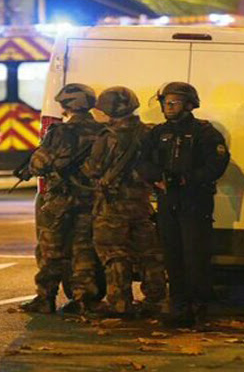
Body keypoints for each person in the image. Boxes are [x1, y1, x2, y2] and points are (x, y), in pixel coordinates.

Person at [137, 82, 230, 328]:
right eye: (166, 102)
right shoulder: (157, 133)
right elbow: (142, 160)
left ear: (189, 105)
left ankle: (199, 308)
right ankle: (177, 305)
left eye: (175, 102)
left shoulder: (205, 133)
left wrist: (188, 179)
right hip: (168, 202)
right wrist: (157, 178)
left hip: (194, 201)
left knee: (195, 256)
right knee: (172, 254)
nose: (169, 106)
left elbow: (216, 165)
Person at [17, 83, 105, 314]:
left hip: (61, 200)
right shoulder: (102, 131)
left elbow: (39, 164)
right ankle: (84, 299)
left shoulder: (60, 132)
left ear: (66, 105)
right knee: (83, 249)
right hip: (90, 199)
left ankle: (45, 298)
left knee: (50, 250)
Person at [82, 86, 166, 318]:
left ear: (109, 110)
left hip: (112, 207)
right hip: (141, 204)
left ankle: (120, 303)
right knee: (150, 255)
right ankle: (156, 301)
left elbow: (93, 169)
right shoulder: (148, 132)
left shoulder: (107, 137)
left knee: (115, 255)